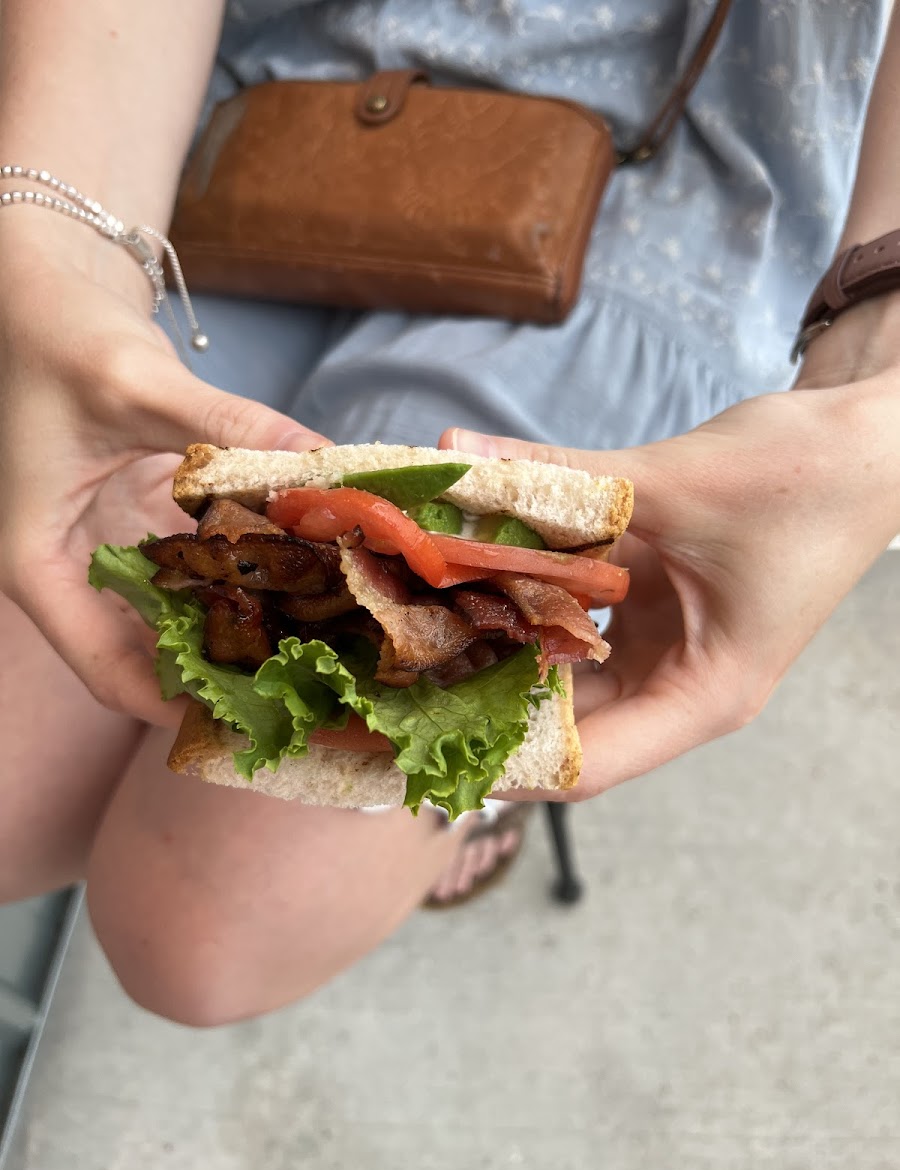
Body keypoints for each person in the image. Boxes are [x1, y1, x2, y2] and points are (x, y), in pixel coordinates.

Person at [0, 1, 898, 1027]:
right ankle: (456, 789)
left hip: (686, 185)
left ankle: (469, 780)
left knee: (197, 938)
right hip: (278, 109)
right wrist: (45, 261)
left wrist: (878, 378)